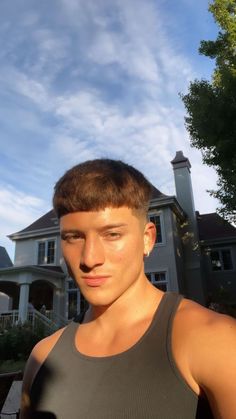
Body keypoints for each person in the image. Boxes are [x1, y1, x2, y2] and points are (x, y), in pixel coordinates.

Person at [20, 159, 236, 419]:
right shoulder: (42, 357)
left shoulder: (215, 341)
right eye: (73, 237)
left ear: (148, 239)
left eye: (112, 234)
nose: (89, 259)